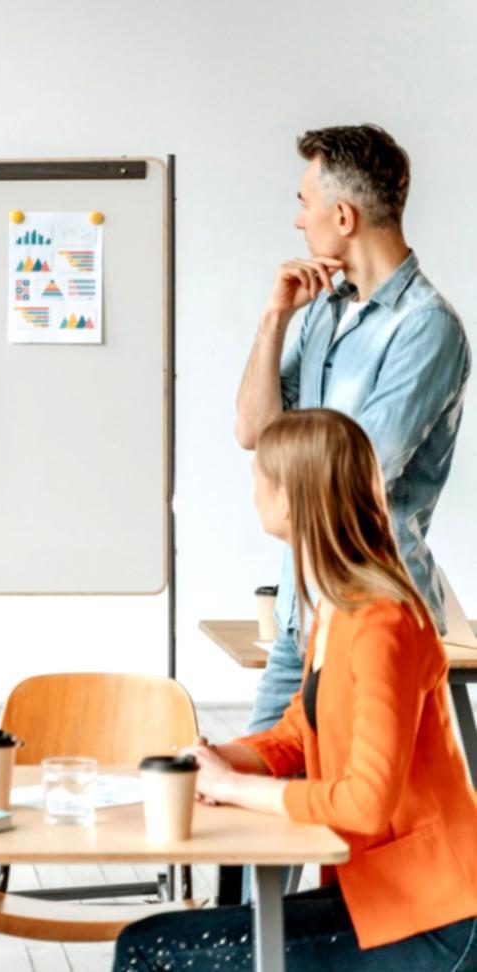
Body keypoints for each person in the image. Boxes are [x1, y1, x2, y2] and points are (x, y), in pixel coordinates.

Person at [115, 408, 477, 970]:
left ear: (290, 497)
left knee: (150, 947)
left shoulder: (382, 622)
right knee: (150, 936)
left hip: (437, 917)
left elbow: (365, 800)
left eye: (260, 472)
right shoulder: (337, 605)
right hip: (383, 897)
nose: (251, 484)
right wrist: (215, 761)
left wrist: (233, 788)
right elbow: (297, 731)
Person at [233, 123, 469, 733]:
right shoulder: (324, 312)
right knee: (248, 796)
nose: (297, 221)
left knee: (355, 815)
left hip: (372, 621)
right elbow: (253, 430)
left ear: (342, 216)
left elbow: (356, 469)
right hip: (299, 615)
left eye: (303, 203)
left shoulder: (426, 328)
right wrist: (274, 319)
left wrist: (275, 487)